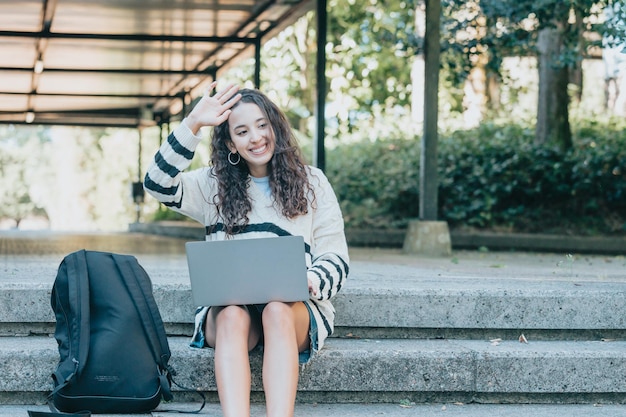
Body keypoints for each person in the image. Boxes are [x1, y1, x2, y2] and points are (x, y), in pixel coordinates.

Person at [143, 81, 350, 417]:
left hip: (292, 310)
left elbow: (335, 256)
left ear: (276, 128)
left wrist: (312, 279)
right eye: (242, 131)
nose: (255, 138)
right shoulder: (212, 185)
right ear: (231, 143)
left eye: (262, 125)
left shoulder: (313, 183)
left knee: (277, 310)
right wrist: (193, 122)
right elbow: (156, 183)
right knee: (232, 315)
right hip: (231, 310)